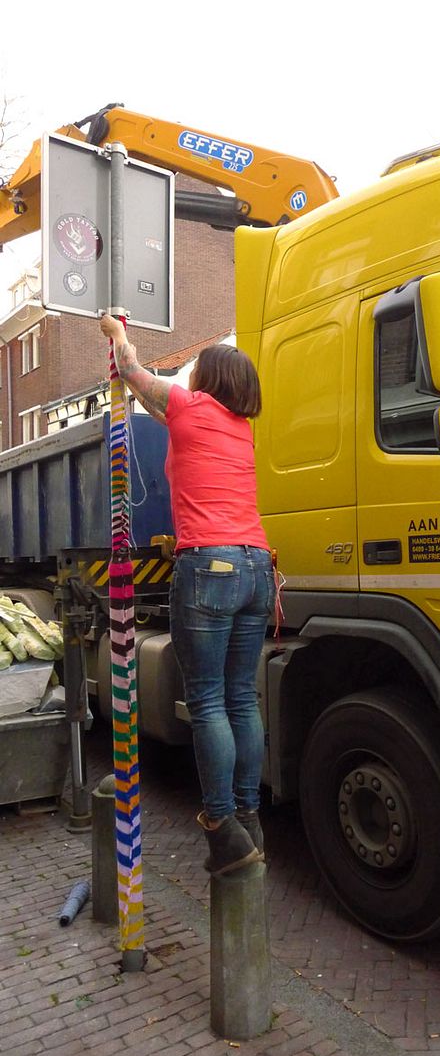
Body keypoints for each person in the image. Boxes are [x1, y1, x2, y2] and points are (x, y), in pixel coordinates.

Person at [99, 314, 275, 876]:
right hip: (257, 568)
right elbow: (154, 401)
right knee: (241, 698)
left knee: (205, 701)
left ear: (210, 380)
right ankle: (249, 822)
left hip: (210, 566)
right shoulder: (238, 428)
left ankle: (221, 828)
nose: (191, 374)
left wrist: (114, 332)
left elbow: (130, 370)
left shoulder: (191, 409)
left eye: (197, 368)